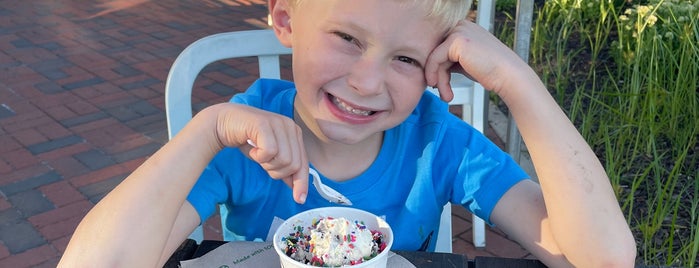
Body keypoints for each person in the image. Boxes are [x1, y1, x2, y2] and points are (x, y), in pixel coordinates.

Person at [58, 0, 637, 267]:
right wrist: (206, 130)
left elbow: (604, 259)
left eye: (407, 60)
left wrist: (519, 83)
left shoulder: (439, 144)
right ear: (285, 18)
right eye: (348, 39)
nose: (366, 83)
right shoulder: (240, 140)